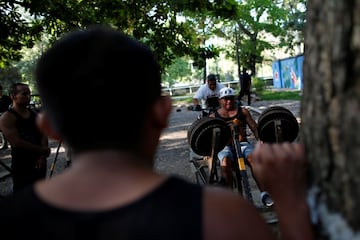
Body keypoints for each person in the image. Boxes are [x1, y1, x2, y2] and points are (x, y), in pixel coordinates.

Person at [0, 25, 313, 240]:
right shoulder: (222, 216)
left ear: (49, 128)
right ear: (163, 113)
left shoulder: (10, 221)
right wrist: (291, 201)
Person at [210, 87, 273, 207]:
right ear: (220, 100)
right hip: (225, 147)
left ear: (234, 98)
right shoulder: (214, 116)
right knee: (225, 162)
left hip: (242, 144)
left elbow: (254, 127)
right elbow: (209, 136)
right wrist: (208, 152)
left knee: (253, 159)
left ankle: (264, 193)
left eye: (230, 98)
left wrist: (260, 140)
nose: (228, 102)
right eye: (225, 99)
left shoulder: (243, 112)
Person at [0, 83, 50, 193]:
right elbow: (16, 142)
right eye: (24, 94)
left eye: (29, 93)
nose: (28, 96)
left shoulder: (35, 114)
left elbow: (43, 133)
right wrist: (42, 150)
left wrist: (42, 156)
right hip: (22, 163)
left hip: (40, 161)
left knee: (41, 193)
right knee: (23, 195)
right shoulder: (6, 118)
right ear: (13, 96)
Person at [0, 84, 12, 149]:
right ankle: (4, 143)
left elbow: (12, 104)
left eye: (0, 90)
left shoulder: (6, 98)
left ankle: (8, 143)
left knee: (6, 129)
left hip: (6, 116)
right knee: (1, 131)